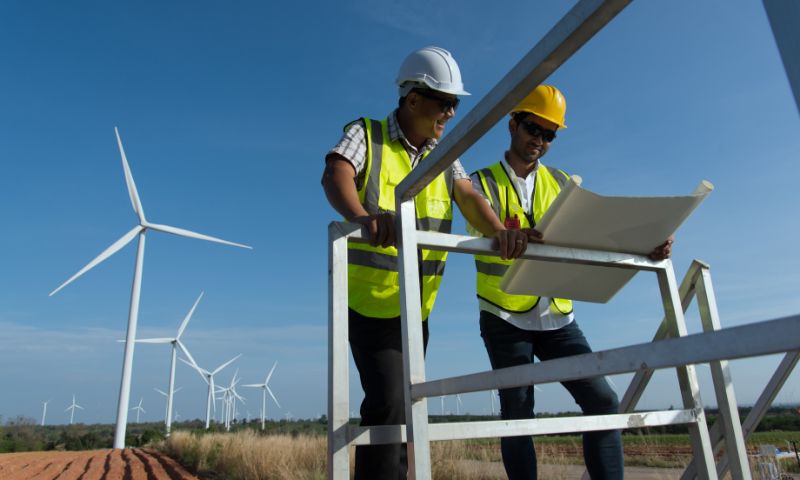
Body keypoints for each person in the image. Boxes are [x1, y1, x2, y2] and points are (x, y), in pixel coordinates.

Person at [321, 46, 530, 479]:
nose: (451, 114)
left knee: (404, 403)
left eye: (456, 104)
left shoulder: (443, 152)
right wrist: (363, 218)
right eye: (445, 103)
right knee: (392, 404)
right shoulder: (369, 133)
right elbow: (336, 171)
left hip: (418, 309)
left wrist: (498, 231)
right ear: (413, 98)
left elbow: (468, 195)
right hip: (371, 302)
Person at [468, 85, 673, 480]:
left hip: (558, 317)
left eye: (550, 135)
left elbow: (597, 232)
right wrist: (506, 232)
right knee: (518, 414)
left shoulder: (562, 182)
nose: (540, 141)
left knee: (602, 402)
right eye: (533, 129)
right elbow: (480, 223)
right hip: (504, 314)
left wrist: (647, 246)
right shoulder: (481, 183)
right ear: (512, 124)